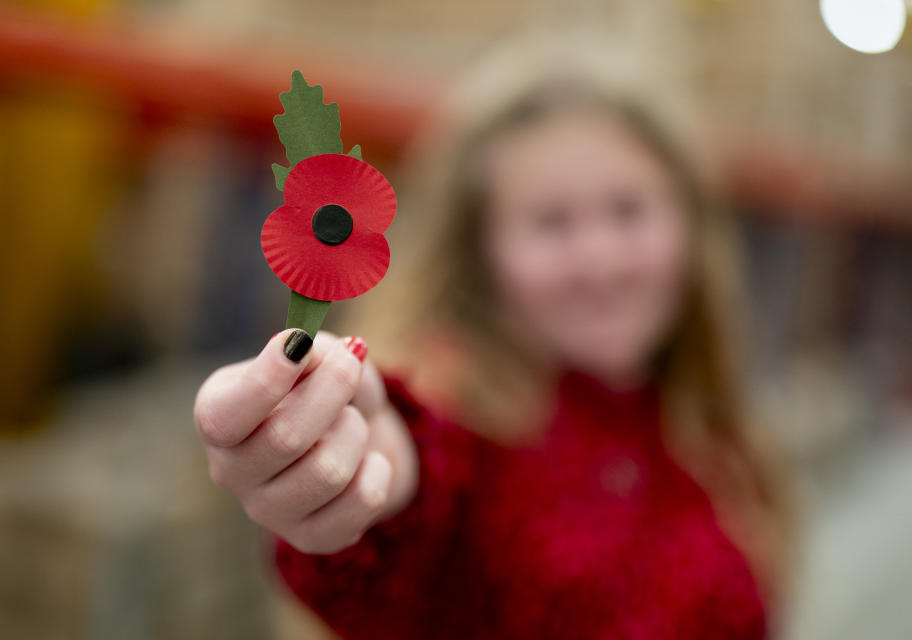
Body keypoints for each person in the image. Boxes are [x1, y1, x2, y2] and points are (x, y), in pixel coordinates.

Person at [193, 41, 791, 639]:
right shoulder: (456, 420)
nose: (600, 259)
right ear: (483, 251)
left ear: (688, 223)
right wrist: (356, 464)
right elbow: (401, 489)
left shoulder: (717, 431)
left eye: (628, 210)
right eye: (551, 221)